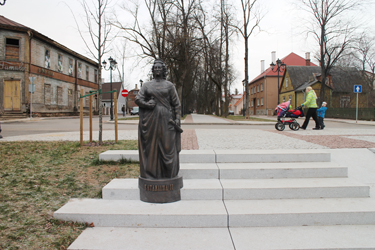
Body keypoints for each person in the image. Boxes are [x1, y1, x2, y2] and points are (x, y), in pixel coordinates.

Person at [135, 59, 181, 179]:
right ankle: (152, 174)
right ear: (153, 70)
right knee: (151, 147)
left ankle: (169, 175)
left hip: (167, 120)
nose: (157, 70)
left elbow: (177, 104)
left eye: (159, 68)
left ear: (163, 70)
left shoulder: (169, 85)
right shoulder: (147, 85)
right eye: (155, 68)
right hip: (150, 121)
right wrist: (147, 104)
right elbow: (138, 99)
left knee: (168, 147)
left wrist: (177, 119)